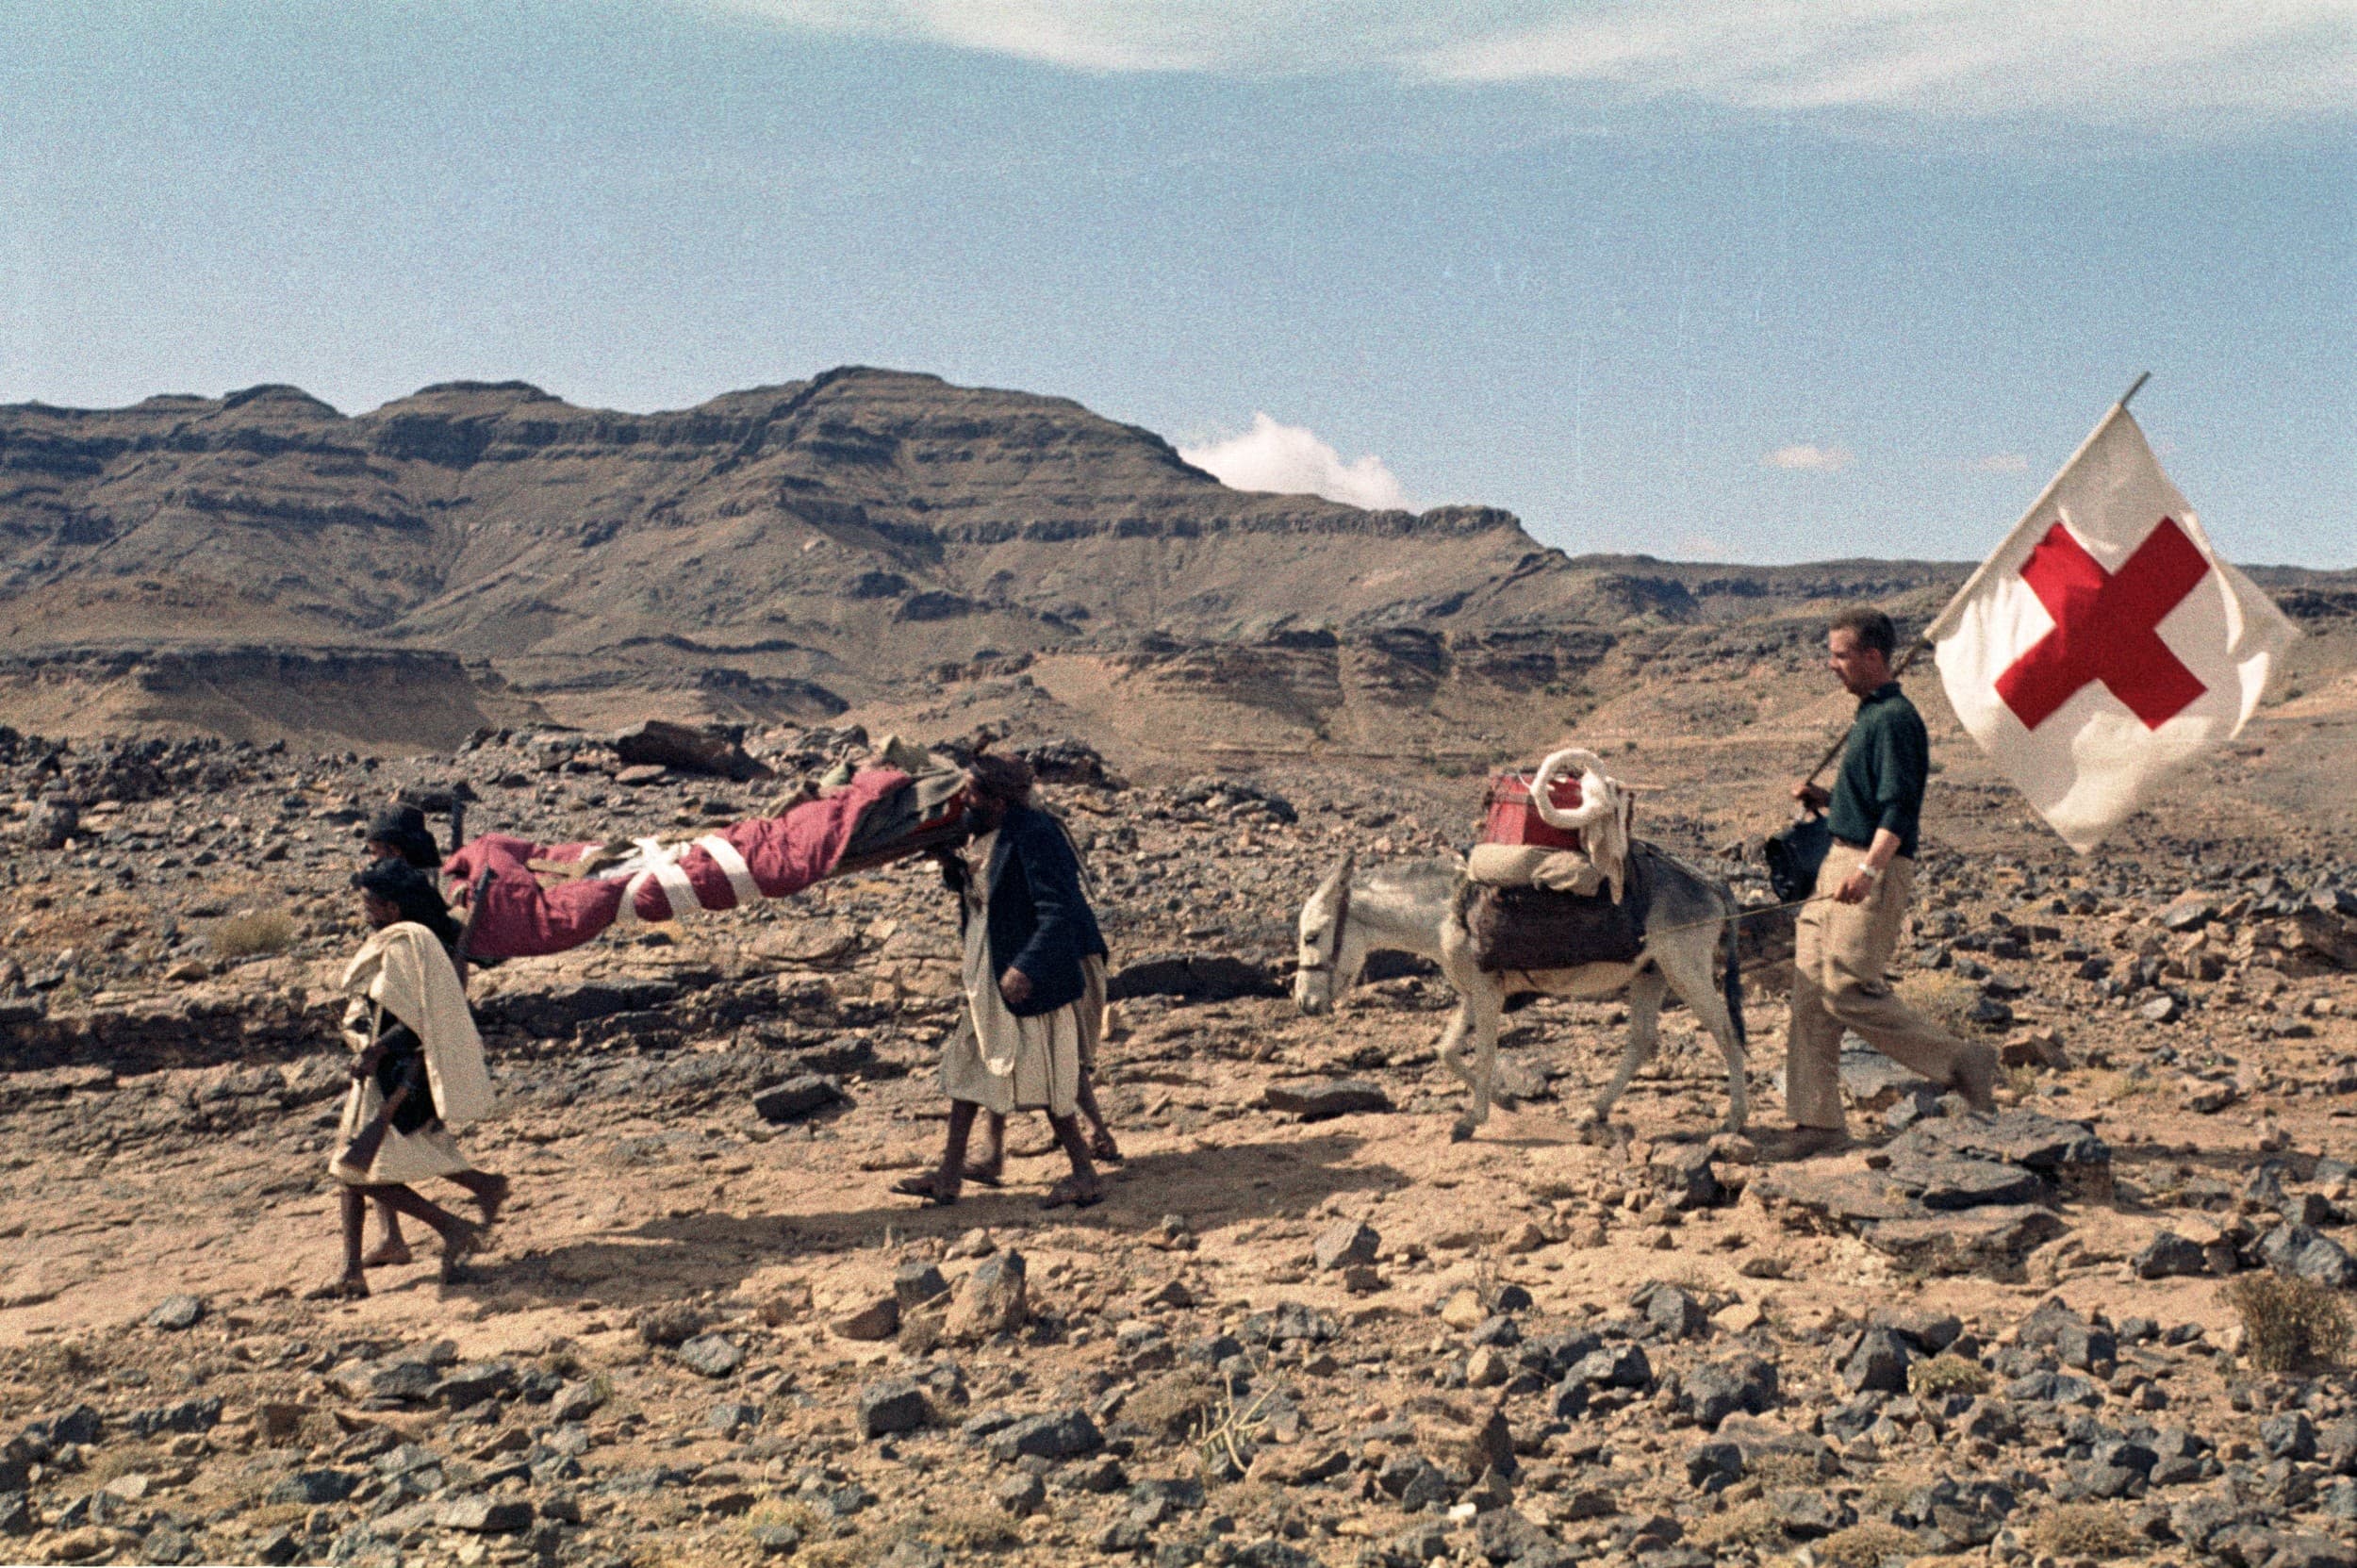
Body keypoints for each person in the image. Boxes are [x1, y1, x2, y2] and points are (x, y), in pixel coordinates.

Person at [1777, 606, 1998, 1159]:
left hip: (1871, 866)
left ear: (1873, 656)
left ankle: (1960, 1060)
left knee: (1845, 988)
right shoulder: (1870, 714)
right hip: (1838, 859)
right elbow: (1870, 802)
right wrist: (1825, 799)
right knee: (1810, 994)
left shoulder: (1896, 720)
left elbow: (1900, 807)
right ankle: (1818, 1123)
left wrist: (1869, 871)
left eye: (1840, 655)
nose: (1831, 665)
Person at [897, 752, 1114, 1209]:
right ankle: (949, 1176)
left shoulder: (1035, 835)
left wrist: (1026, 968)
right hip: (988, 974)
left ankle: (1085, 1174)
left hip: (1024, 981)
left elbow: (1059, 911)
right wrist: (952, 867)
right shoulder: (987, 833)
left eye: (971, 792)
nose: (963, 799)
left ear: (997, 800)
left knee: (1047, 1081)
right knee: (969, 1068)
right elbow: (989, 893)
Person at [306, 861, 505, 1298]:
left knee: (353, 1171)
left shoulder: (404, 943)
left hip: (396, 1076)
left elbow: (419, 1018)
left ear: (391, 908)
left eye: (369, 905)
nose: (364, 913)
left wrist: (376, 1049)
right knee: (357, 1167)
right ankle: (355, 1269)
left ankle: (452, 1228)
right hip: (381, 1072)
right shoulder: (408, 939)